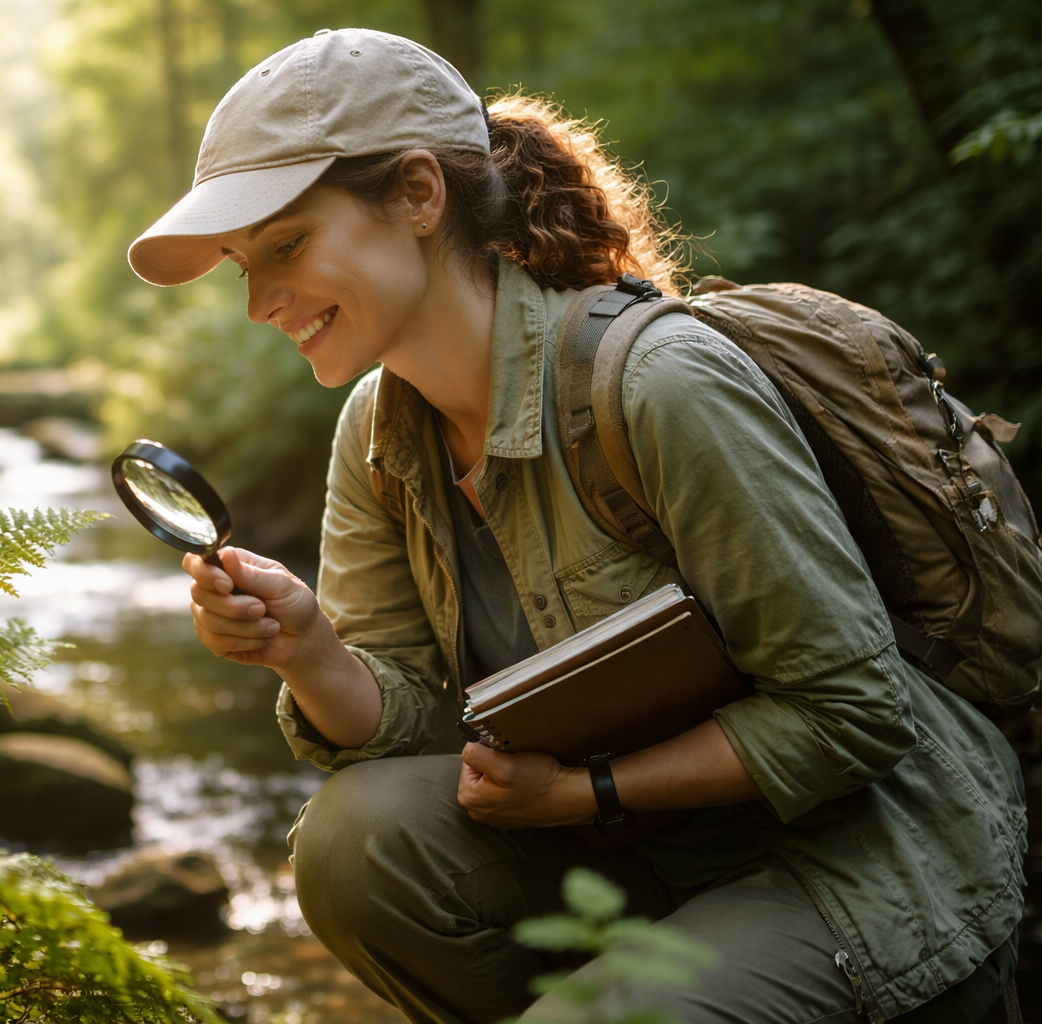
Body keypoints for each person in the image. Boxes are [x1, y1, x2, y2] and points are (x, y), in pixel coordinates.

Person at [126, 27, 1026, 1024]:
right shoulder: (374, 434)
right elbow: (420, 731)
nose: (258, 302)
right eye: (241, 266)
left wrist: (592, 790)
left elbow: (853, 713)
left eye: (286, 246)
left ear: (419, 196)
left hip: (851, 865)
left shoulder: (660, 383)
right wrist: (307, 650)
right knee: (351, 843)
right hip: (634, 857)